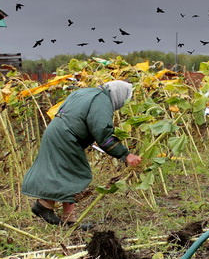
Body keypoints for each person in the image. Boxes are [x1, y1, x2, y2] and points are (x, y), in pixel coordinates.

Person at [22, 80, 142, 228]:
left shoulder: (86, 92)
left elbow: (76, 115)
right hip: (67, 137)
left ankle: (66, 217)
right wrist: (126, 155)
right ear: (119, 95)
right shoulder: (102, 101)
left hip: (55, 130)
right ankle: (45, 206)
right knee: (77, 173)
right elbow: (103, 134)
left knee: (61, 172)